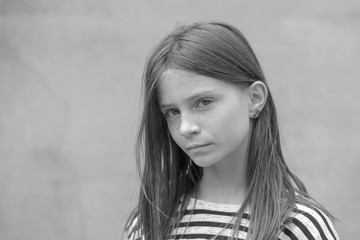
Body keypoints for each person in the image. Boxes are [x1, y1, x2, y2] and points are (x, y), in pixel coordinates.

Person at [123, 21, 339, 240]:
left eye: (203, 102)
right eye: (172, 112)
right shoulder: (149, 221)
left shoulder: (297, 226)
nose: (186, 127)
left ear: (254, 99)